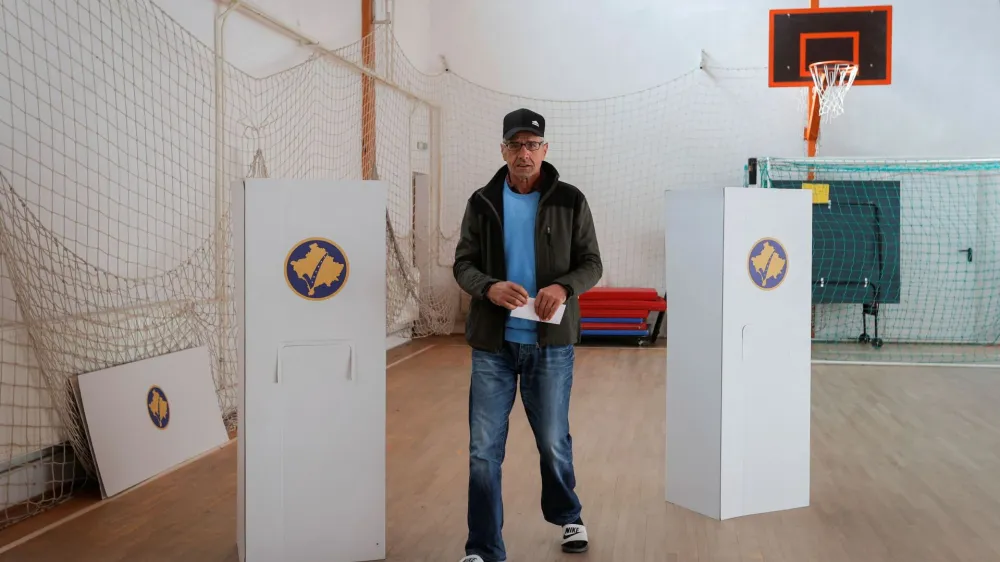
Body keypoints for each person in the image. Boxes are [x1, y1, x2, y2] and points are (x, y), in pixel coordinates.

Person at [452, 108, 603, 562]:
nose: (524, 153)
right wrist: (489, 287)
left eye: (532, 145)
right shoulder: (482, 202)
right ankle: (482, 548)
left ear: (545, 149)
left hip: (550, 347)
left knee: (553, 439)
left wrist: (562, 287)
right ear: (502, 149)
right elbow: (463, 264)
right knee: (483, 450)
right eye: (515, 145)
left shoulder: (571, 200)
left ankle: (567, 514)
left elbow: (591, 263)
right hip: (493, 347)